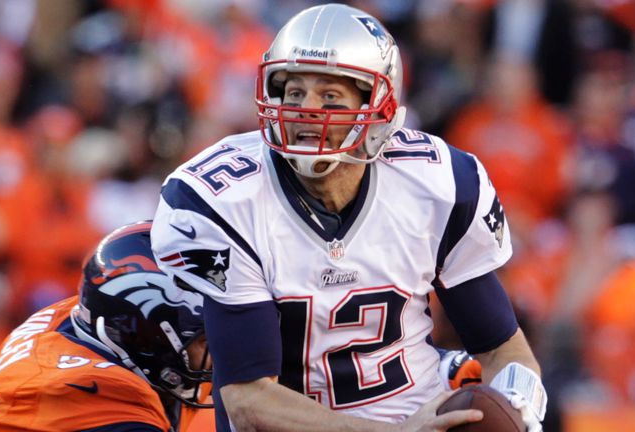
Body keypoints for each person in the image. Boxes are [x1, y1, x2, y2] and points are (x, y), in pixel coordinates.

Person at [150, 3, 546, 431]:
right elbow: (248, 400)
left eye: (330, 96)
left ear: (378, 104)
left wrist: (520, 405)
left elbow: (502, 349)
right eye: (295, 91)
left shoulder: (436, 184)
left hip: (416, 411)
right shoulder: (225, 200)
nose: (306, 108)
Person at [0, 221, 213, 432]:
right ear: (151, 339)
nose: (218, 349)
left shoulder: (98, 316)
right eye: (204, 340)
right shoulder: (95, 391)